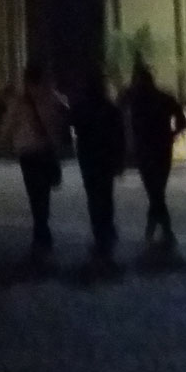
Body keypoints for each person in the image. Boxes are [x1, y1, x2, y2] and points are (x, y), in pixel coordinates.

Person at [0, 63, 69, 264]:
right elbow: (62, 121)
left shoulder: (19, 102)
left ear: (26, 79)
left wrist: (4, 142)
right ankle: (43, 230)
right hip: (47, 152)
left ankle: (41, 233)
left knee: (34, 193)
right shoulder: (52, 97)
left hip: (28, 153)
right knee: (44, 193)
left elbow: (7, 127)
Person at [124, 62, 186, 249]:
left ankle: (158, 228)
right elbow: (182, 122)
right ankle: (161, 228)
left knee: (154, 190)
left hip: (144, 149)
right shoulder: (165, 98)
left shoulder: (134, 99)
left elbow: (120, 108)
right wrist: (172, 135)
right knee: (158, 190)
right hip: (162, 148)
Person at [71, 77, 125, 269]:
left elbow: (73, 126)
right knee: (106, 196)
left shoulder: (81, 108)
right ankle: (107, 232)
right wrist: (119, 159)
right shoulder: (110, 109)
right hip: (106, 158)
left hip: (88, 158)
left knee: (93, 198)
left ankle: (100, 234)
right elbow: (120, 135)